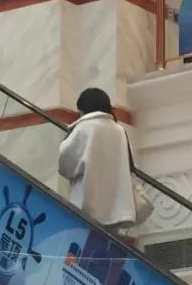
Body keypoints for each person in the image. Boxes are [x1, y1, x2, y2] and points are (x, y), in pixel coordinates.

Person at [58, 89, 140, 229]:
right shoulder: (119, 130)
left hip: (87, 205)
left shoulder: (83, 128)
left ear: (82, 108)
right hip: (116, 208)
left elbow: (66, 166)